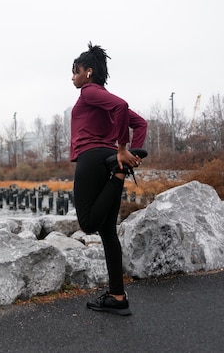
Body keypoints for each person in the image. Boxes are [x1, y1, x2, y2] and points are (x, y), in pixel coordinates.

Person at [70, 42, 148, 316]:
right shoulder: (101, 95)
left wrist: (124, 151)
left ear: (88, 72)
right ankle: (117, 296)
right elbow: (141, 123)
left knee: (89, 223)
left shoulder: (89, 92)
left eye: (75, 71)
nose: (72, 77)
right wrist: (131, 154)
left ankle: (118, 174)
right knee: (108, 232)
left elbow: (122, 106)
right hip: (107, 159)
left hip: (93, 160)